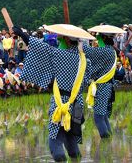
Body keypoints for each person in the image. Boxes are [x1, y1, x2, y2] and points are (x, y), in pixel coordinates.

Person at [13, 24, 94, 162]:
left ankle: (61, 159)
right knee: (71, 137)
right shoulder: (86, 61)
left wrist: (22, 34)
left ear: (68, 41)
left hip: (60, 101)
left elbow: (40, 47)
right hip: (77, 103)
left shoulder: (60, 55)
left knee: (54, 140)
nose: (59, 41)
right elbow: (86, 82)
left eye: (62, 39)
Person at [84, 25, 122, 138]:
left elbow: (88, 51)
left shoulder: (105, 51)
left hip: (103, 87)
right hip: (107, 86)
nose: (97, 38)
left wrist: (77, 39)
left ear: (104, 38)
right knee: (103, 115)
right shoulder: (111, 50)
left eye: (99, 37)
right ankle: (108, 137)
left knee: (98, 117)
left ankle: (106, 140)